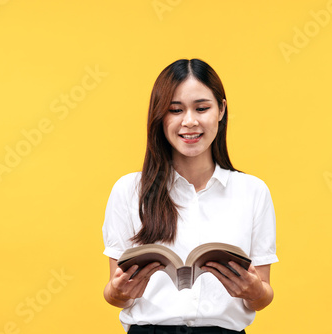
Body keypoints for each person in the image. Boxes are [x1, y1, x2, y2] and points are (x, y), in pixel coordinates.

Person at [102, 59, 278, 334]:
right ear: (160, 117)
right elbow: (114, 296)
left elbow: (262, 297)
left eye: (202, 108)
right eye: (175, 110)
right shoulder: (129, 191)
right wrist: (119, 291)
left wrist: (255, 291)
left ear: (221, 109)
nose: (190, 122)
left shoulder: (253, 191)